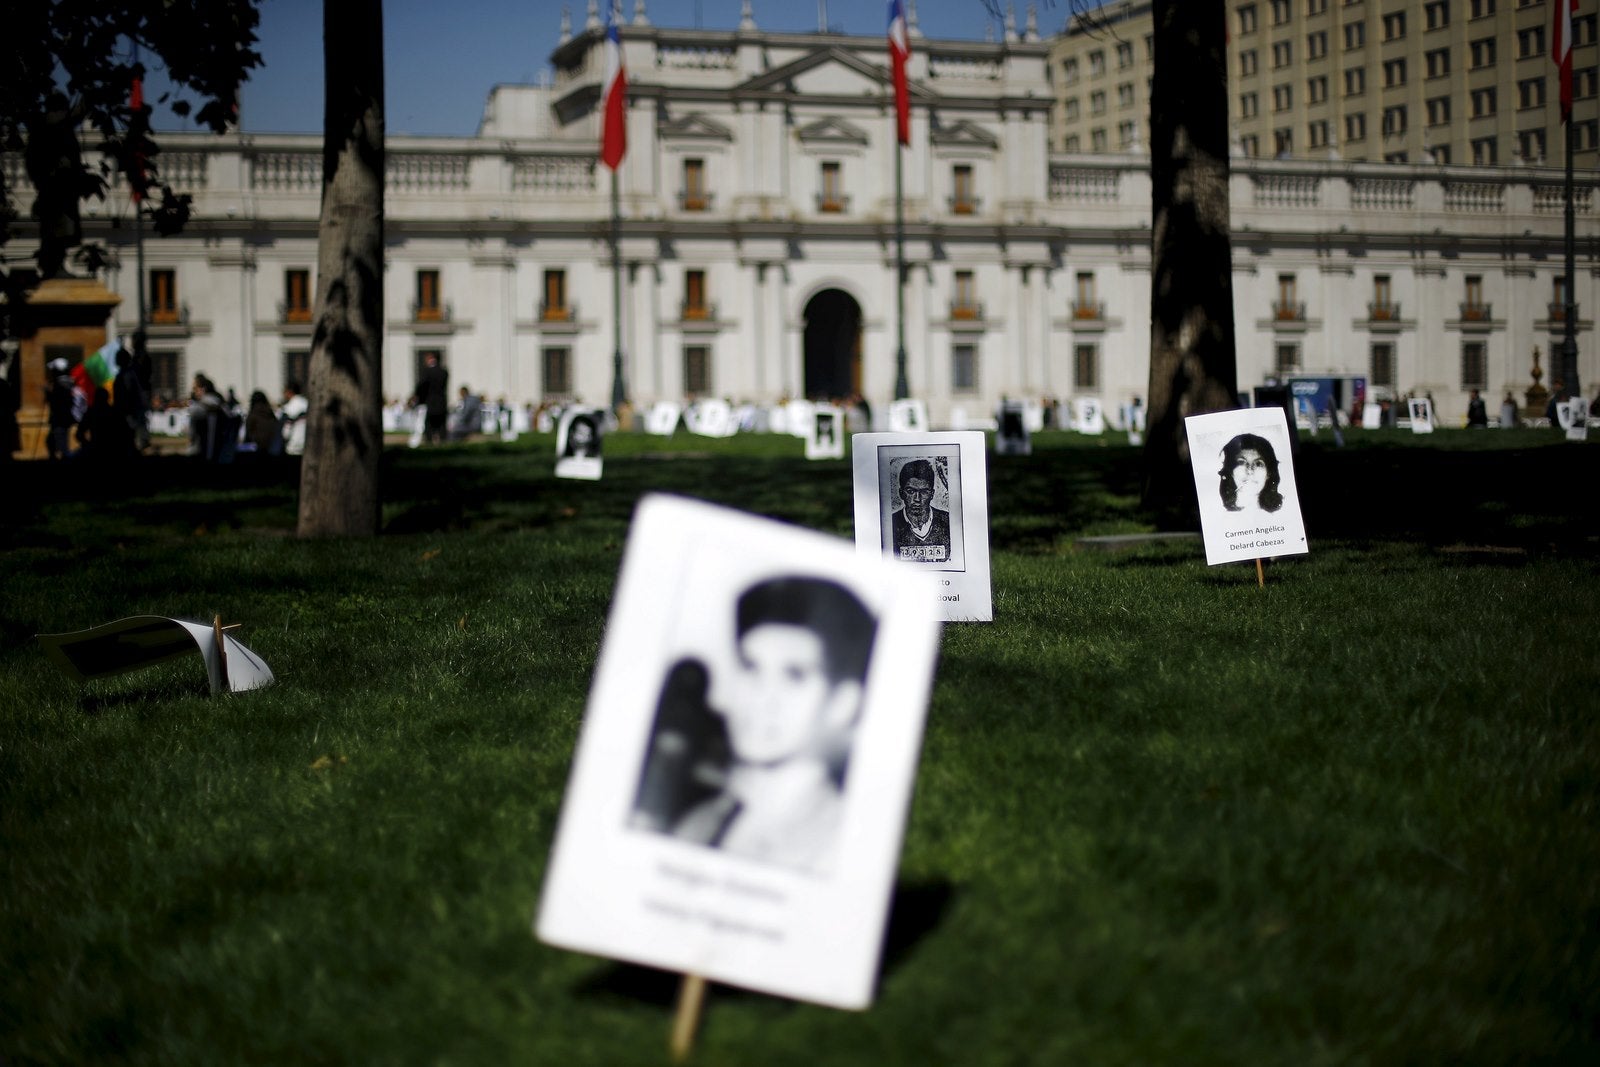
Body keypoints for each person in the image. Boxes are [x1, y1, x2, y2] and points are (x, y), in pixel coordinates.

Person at [634, 575, 877, 876]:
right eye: (751, 667)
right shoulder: (701, 819)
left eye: (794, 676)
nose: (761, 697)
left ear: (843, 703)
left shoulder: (844, 842)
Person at [889, 458, 952, 563]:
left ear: (932, 494)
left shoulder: (948, 521)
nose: (917, 498)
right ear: (901, 493)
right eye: (910, 491)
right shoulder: (890, 524)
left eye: (924, 492)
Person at [1218, 432, 1285, 514]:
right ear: (1230, 471)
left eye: (1258, 464)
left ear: (1269, 473)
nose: (1250, 470)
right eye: (1241, 462)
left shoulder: (1281, 516)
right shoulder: (1219, 517)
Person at [410, 352, 449, 444]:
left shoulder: (427, 372)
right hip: (441, 402)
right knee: (441, 424)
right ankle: (443, 441)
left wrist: (417, 397)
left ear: (429, 359)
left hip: (430, 401)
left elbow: (422, 386)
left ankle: (429, 441)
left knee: (429, 424)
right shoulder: (444, 372)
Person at [45, 357, 76, 460]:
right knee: (54, 441)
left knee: (61, 445)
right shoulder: (69, 383)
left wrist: (50, 395)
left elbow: (58, 403)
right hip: (63, 419)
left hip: (59, 419)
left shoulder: (60, 385)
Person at [243, 390, 282, 455]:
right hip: (273, 449)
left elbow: (248, 435)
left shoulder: (252, 415)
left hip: (258, 450)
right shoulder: (270, 413)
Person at [279, 380, 308, 456]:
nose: (283, 394)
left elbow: (286, 433)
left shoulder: (290, 407)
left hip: (294, 448)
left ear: (290, 391)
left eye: (284, 391)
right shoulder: (307, 404)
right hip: (307, 446)